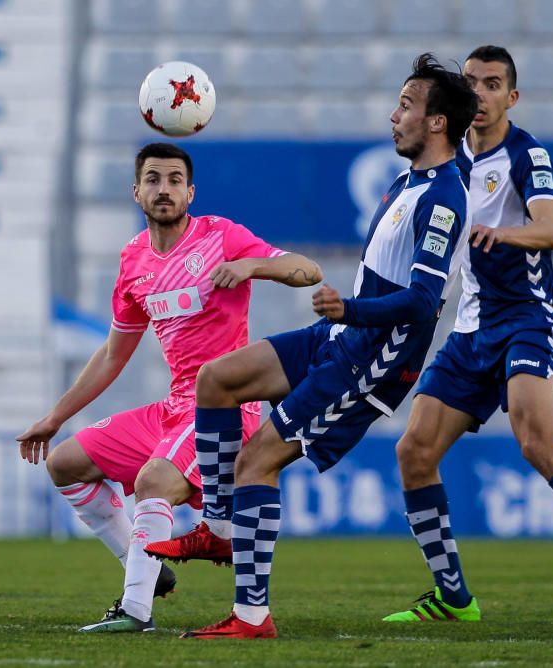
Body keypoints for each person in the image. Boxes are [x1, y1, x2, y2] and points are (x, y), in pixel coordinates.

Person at [145, 54, 478, 639]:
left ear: (436, 123)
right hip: (343, 336)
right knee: (215, 380)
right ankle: (220, 530)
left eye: (406, 105)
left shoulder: (444, 199)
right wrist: (344, 319)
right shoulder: (409, 181)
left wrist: (348, 310)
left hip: (372, 359)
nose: (393, 114)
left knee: (258, 459)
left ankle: (251, 616)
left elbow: (425, 302)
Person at [381, 45, 553, 627]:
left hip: (525, 318)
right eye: (471, 84)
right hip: (470, 328)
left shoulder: (526, 154)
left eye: (492, 84)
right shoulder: (450, 163)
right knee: (414, 451)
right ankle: (453, 597)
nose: (479, 94)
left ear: (512, 96)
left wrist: (501, 235)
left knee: (536, 442)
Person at [16, 142, 322, 633]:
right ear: (136, 192)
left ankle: (134, 610)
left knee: (153, 481)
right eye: (153, 179)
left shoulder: (221, 236)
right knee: (65, 465)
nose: (164, 189)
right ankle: (146, 569)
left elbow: (309, 269)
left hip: (222, 409)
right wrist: (55, 417)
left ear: (190, 191)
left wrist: (253, 265)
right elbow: (115, 353)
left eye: (175, 180)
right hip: (173, 406)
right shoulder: (134, 259)